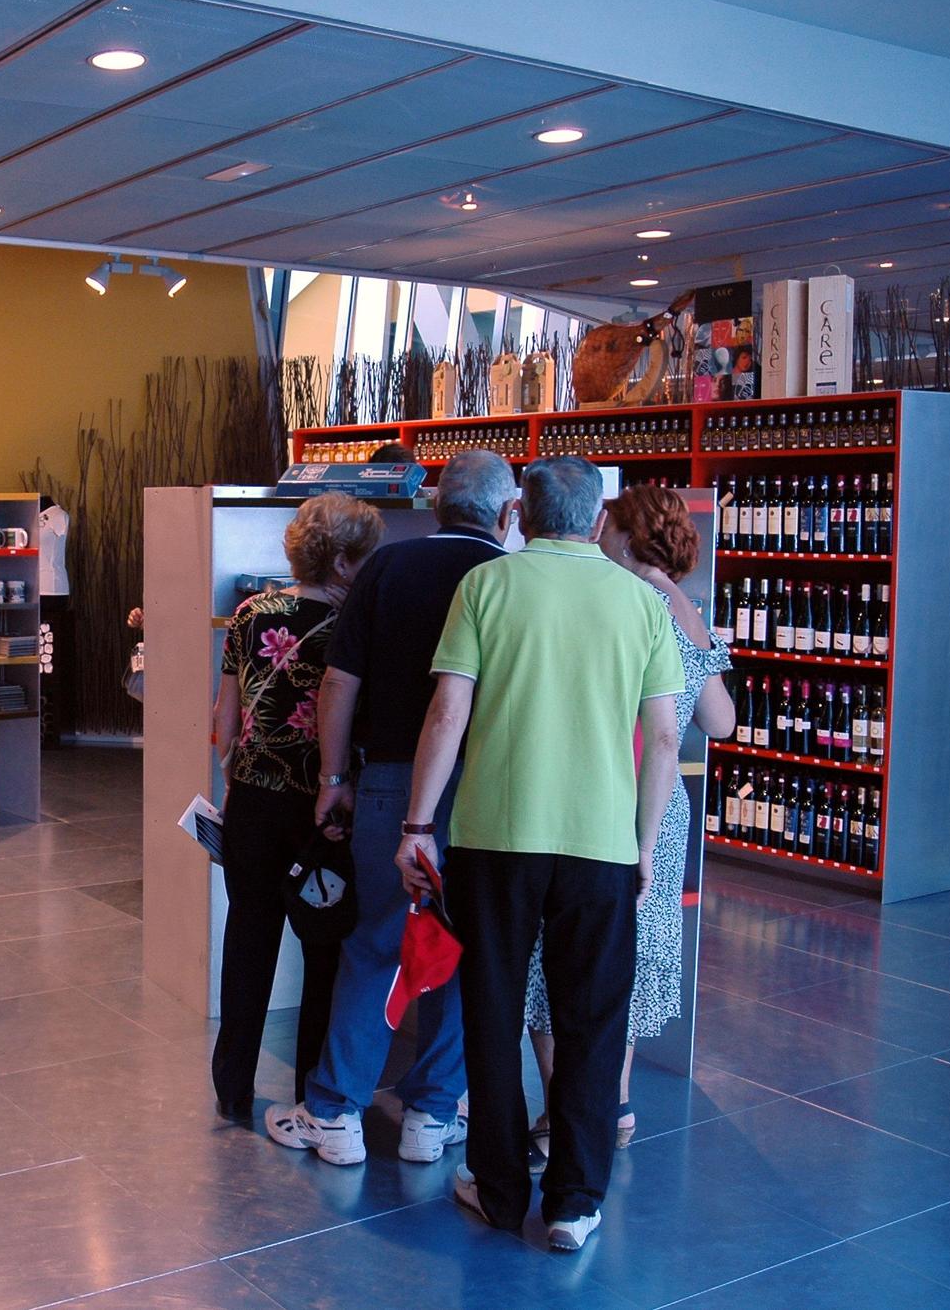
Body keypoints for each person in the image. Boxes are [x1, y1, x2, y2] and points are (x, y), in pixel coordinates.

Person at [397, 456, 682, 1253]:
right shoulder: (639, 603)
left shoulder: (487, 588)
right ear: (597, 523)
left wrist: (418, 826)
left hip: (494, 838)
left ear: (519, 512)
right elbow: (664, 735)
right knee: (592, 1018)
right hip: (601, 846)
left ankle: (496, 1189)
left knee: (489, 1012)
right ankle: (574, 1203)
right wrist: (645, 845)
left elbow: (448, 713)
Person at [264, 450, 516, 1167]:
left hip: (390, 782)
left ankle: (336, 1113)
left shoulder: (387, 569)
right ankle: (431, 1117)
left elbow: (340, 683)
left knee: (374, 943)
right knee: (464, 949)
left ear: (435, 506)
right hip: (488, 790)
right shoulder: (507, 579)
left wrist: (333, 776)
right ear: (508, 514)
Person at [525, 484, 733, 1164]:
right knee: (632, 953)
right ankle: (610, 1103)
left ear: (619, 532)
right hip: (663, 805)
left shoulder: (616, 599)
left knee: (555, 951)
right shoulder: (685, 608)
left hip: (601, 794)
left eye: (604, 523)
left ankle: (561, 1113)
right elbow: (721, 722)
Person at [211, 492, 384, 1118]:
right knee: (325, 946)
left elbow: (224, 719)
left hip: (252, 802)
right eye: (365, 557)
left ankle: (232, 1088)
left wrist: (236, 776)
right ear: (341, 562)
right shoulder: (355, 626)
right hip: (323, 811)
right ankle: (313, 1091)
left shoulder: (251, 612)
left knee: (248, 939)